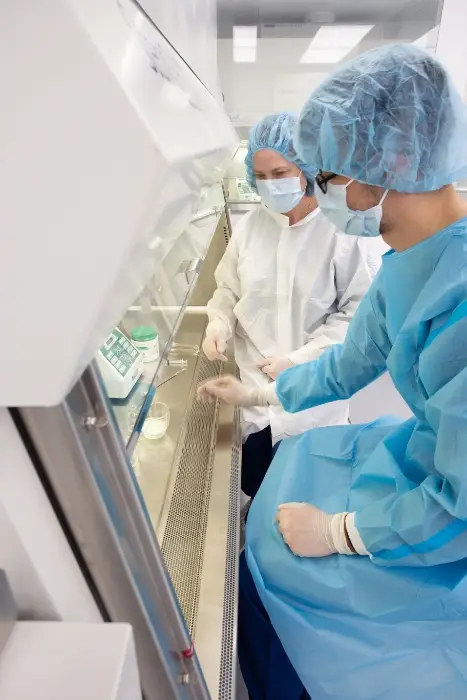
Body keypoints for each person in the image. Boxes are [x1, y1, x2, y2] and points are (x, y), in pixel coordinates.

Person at [199, 44, 467, 700]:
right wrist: (260, 391)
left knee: (273, 575)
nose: (320, 195)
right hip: (418, 469)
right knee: (261, 542)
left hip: (442, 526)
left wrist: (340, 533)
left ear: (391, 166)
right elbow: (348, 364)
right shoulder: (409, 259)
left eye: (325, 178)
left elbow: (457, 508)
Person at [202, 112, 373, 500]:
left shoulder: (342, 233)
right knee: (258, 498)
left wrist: (300, 358)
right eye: (260, 176)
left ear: (308, 169)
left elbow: (358, 319)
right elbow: (229, 288)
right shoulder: (252, 226)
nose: (269, 185)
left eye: (279, 173)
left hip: (314, 407)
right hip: (253, 402)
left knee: (310, 504)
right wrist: (218, 322)